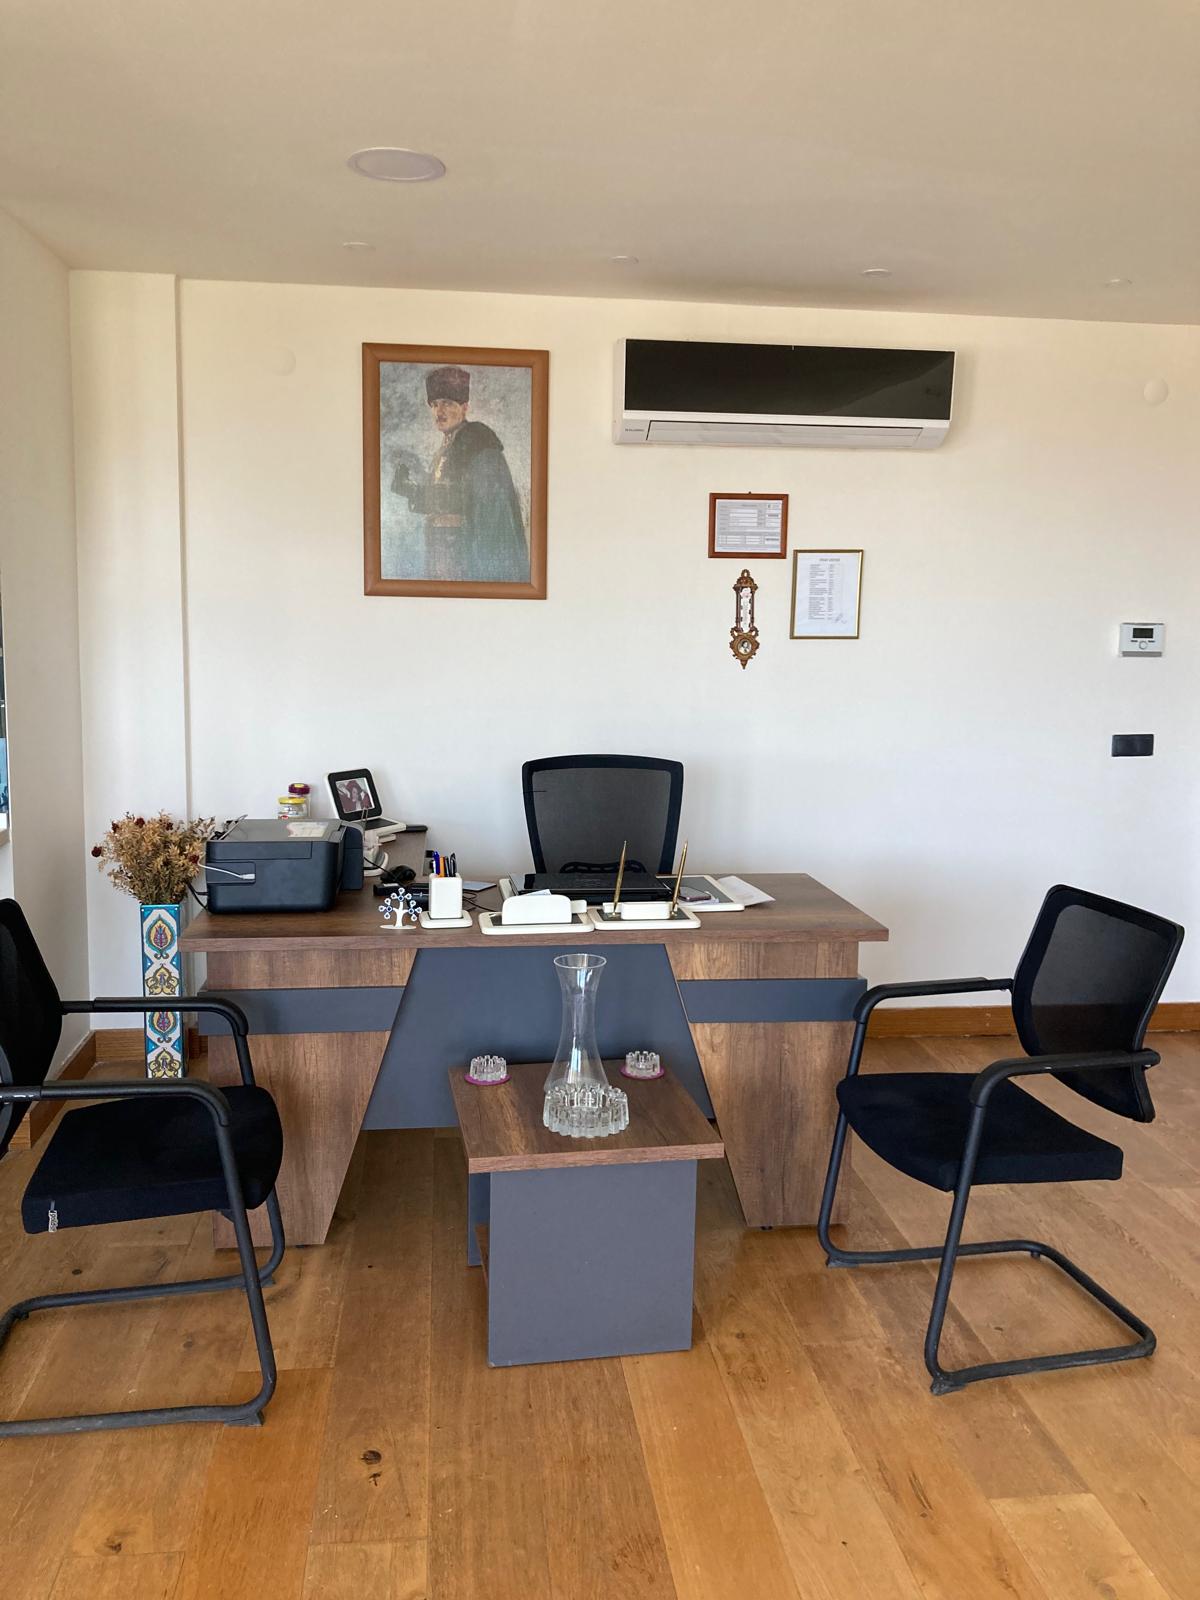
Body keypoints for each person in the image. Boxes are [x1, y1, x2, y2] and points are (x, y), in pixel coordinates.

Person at [391, 366, 528, 584]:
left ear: (464, 408)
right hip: (442, 555)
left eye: (447, 403)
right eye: (434, 404)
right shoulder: (446, 448)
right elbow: (445, 499)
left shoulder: (479, 443)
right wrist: (410, 490)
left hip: (467, 555)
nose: (439, 411)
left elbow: (486, 506)